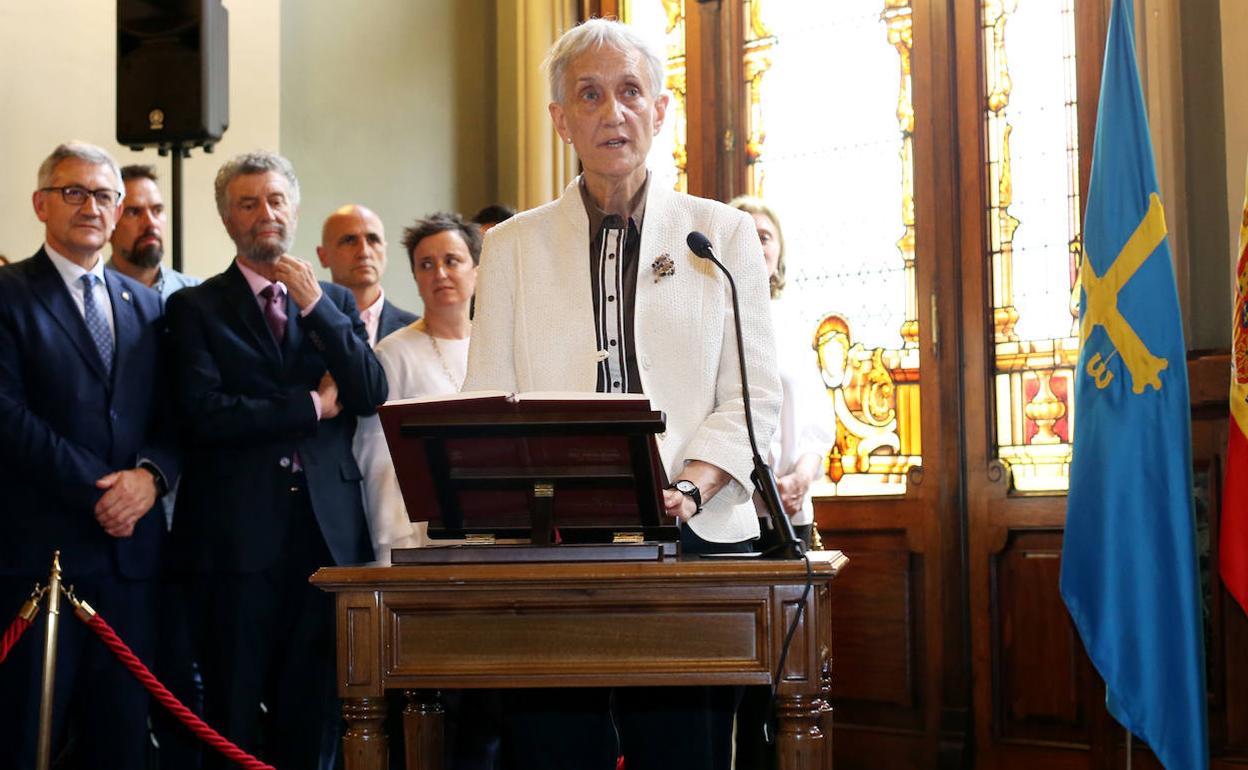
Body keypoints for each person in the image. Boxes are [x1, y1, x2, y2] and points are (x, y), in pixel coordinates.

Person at [463, 18, 780, 770]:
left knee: (684, 749)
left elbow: (751, 396)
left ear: (660, 109)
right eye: (590, 95)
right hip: (552, 549)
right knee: (554, 747)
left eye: (631, 91)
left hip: (693, 543)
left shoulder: (722, 234)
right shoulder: (510, 247)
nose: (614, 112)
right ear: (560, 119)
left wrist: (691, 488)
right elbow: (488, 399)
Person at [164, 150, 388, 770]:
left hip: (324, 536)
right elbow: (206, 415)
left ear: (293, 209)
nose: (266, 212)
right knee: (232, 708)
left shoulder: (335, 301)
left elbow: (369, 393)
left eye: (276, 199)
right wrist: (310, 408)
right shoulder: (195, 308)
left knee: (312, 709)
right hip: (234, 537)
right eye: (248, 202)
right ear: (228, 219)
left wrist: (317, 306)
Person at [0, 141, 177, 770]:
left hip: (130, 566)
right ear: (41, 203)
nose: (91, 207)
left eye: (105, 196)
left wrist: (152, 478)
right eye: (74, 192)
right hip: (36, 560)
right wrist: (103, 490)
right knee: (29, 735)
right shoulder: (8, 293)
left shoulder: (148, 306)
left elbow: (173, 418)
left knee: (121, 739)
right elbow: (9, 417)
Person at [355, 211, 480, 562]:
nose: (439, 273)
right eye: (426, 264)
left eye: (452, 261)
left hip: (495, 532)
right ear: (415, 277)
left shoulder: (496, 344)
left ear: (476, 270)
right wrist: (390, 549)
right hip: (421, 542)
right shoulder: (393, 353)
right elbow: (376, 459)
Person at [729, 196, 833, 549]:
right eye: (743, 234)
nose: (755, 244)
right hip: (728, 512)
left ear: (778, 258)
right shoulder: (710, 320)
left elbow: (817, 423)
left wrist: (802, 479)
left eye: (764, 236)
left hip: (788, 508)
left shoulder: (792, 324)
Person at [317, 203, 418, 347]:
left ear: (385, 250)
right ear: (323, 256)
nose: (364, 252)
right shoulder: (301, 326)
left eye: (373, 240)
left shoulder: (416, 332)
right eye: (349, 240)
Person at [107, 164, 200, 302]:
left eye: (157, 210)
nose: (150, 223)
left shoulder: (197, 296)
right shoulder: (93, 298)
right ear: (109, 223)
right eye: (134, 212)